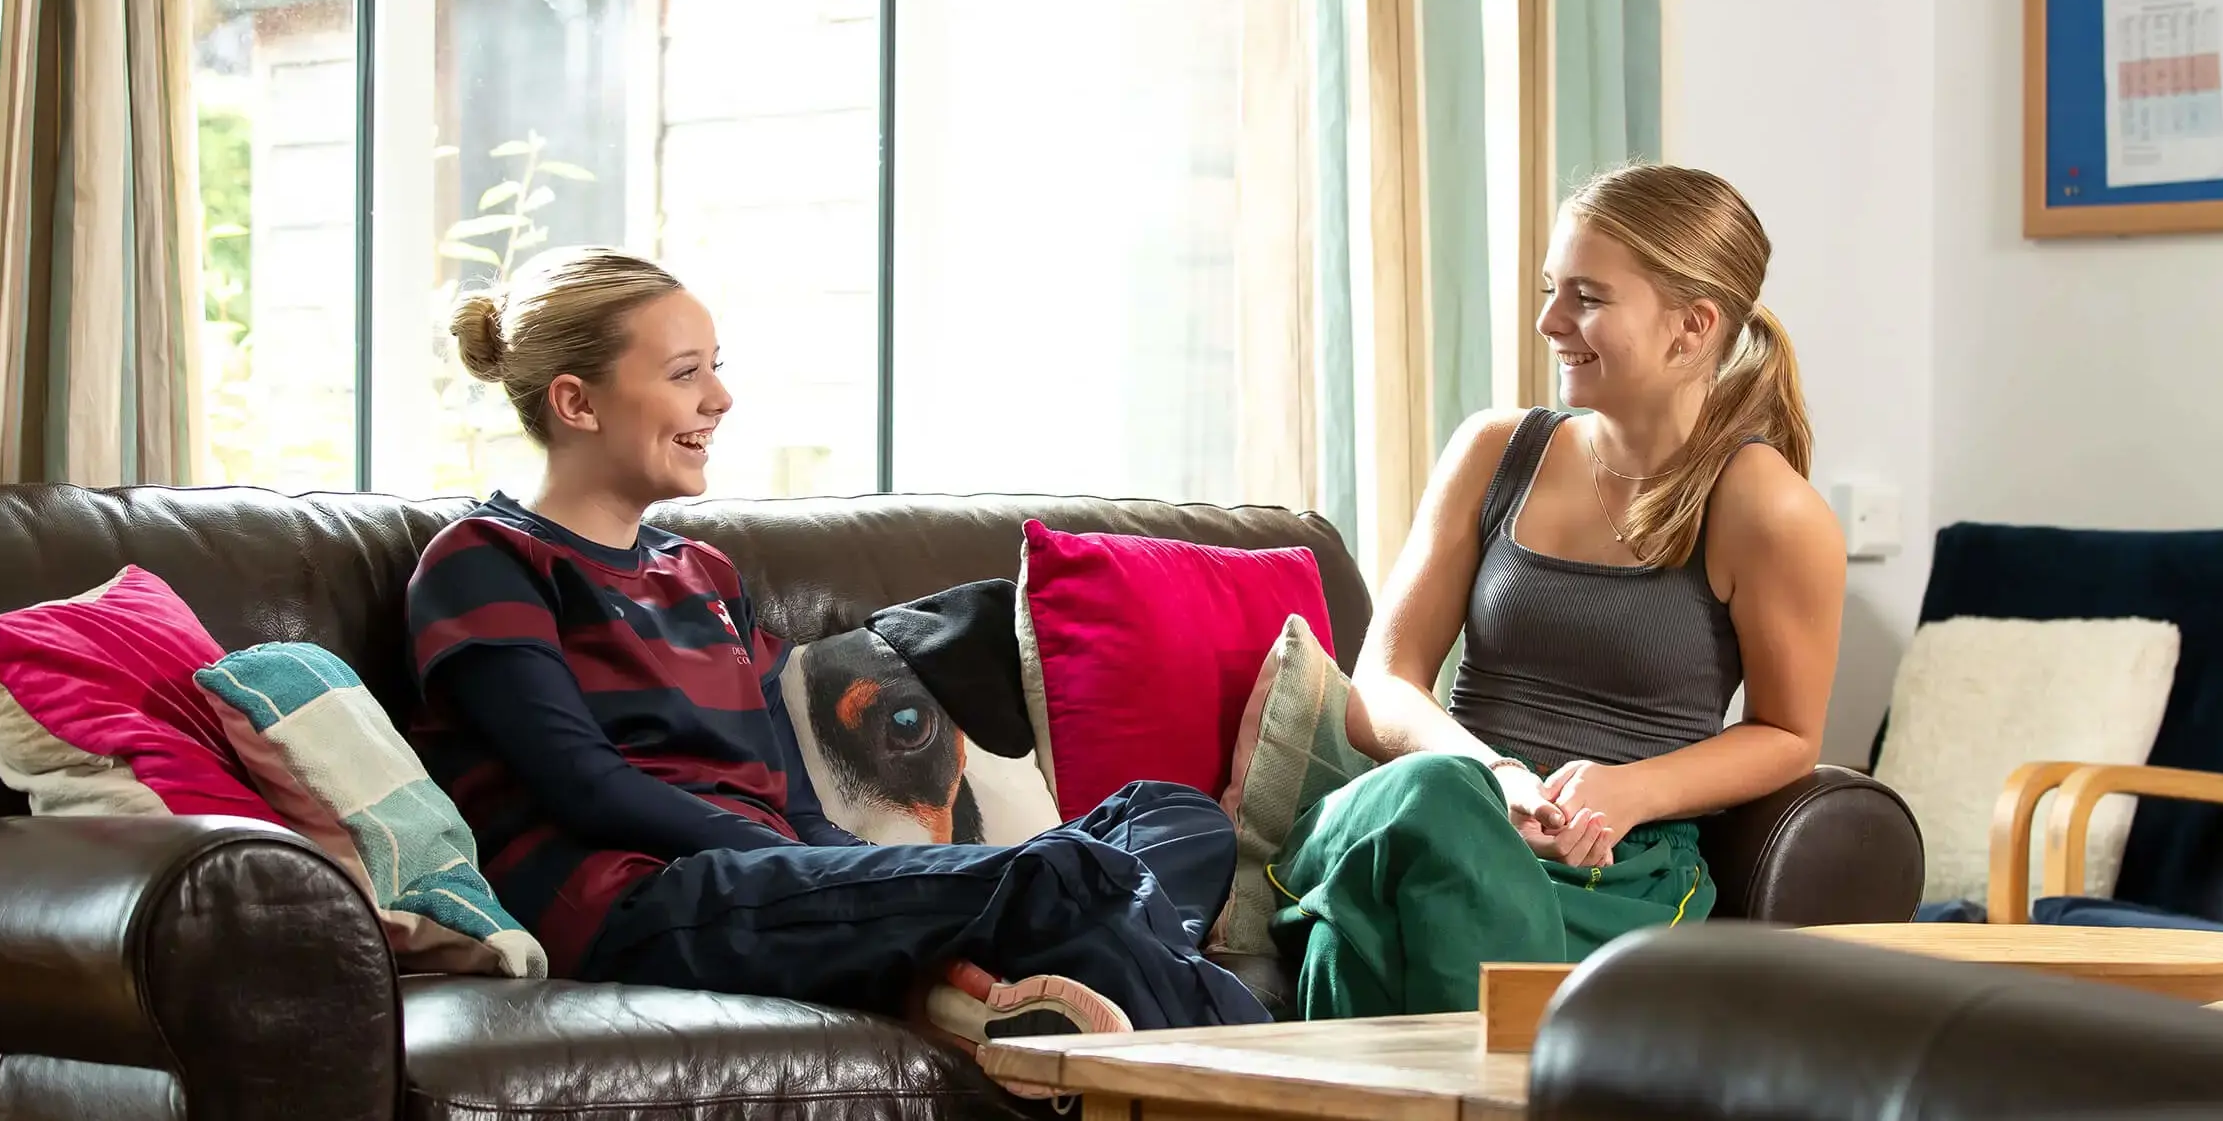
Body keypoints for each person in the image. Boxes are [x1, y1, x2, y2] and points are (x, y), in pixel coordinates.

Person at [402, 246, 1268, 1064]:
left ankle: (977, 974)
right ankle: (1281, 1084)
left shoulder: (701, 571)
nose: (721, 398)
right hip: (634, 900)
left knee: (1172, 817)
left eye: (716, 364)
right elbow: (583, 784)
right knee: (1066, 877)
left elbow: (782, 784)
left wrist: (878, 870)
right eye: (685, 373)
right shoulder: (485, 560)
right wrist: (835, 869)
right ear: (577, 403)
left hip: (770, 880)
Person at [1269, 164, 1847, 1018]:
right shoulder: (1496, 452)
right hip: (1437, 805)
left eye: (1586, 296)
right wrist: (1491, 772)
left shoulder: (1765, 507)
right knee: (1432, 806)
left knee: (1361, 930)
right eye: (1551, 289)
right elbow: (1381, 687)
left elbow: (1789, 734)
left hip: (1611, 866)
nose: (1549, 321)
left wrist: (1631, 788)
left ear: (1690, 327)